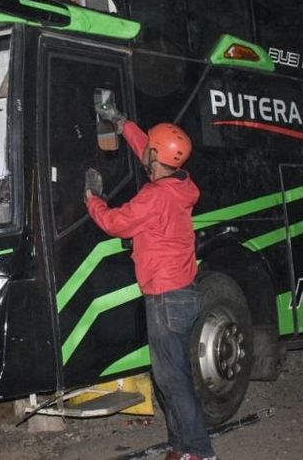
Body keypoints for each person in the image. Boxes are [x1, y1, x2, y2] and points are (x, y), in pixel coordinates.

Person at [83, 107, 215, 460]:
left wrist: (92, 200)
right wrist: (124, 125)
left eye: (150, 149)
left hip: (165, 298)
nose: (146, 152)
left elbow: (115, 223)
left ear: (156, 156)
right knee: (174, 378)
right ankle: (181, 448)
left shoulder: (154, 197)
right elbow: (150, 148)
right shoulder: (181, 186)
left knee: (173, 381)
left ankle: (199, 452)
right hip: (183, 294)